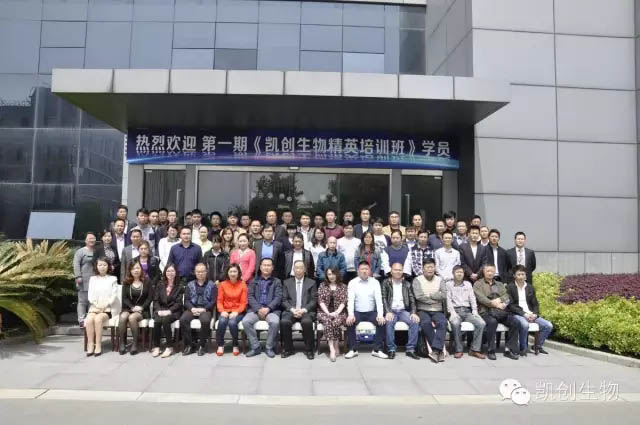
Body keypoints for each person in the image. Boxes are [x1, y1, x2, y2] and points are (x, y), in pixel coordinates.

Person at [473, 264, 521, 360]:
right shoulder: (478, 284)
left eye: (492, 271)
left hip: (500, 311)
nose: (490, 273)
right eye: (488, 271)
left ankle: (509, 349)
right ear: (484, 272)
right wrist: (493, 304)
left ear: (495, 272)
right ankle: (491, 350)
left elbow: (506, 295)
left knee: (515, 322)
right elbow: (481, 298)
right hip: (485, 311)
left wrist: (500, 301)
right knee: (492, 322)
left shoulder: (499, 284)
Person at [507, 265, 553, 356]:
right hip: (517, 314)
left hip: (531, 313)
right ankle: (523, 348)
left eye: (522, 274)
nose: (521, 276)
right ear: (514, 276)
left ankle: (537, 346)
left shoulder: (530, 287)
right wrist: (524, 314)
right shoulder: (510, 287)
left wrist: (535, 314)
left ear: (525, 275)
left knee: (548, 325)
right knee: (524, 325)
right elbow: (511, 305)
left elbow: (535, 304)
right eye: (518, 274)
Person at [345, 261, 387, 359]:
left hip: (371, 312)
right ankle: (353, 349)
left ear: (370, 270)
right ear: (358, 270)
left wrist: (380, 315)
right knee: (349, 322)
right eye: (362, 269)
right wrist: (350, 314)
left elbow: (379, 300)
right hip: (357, 312)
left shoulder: (375, 282)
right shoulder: (353, 282)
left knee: (382, 322)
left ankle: (377, 350)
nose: (364, 271)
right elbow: (350, 300)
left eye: (366, 269)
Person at [243, 258, 283, 358]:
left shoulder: (277, 281)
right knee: (246, 321)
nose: (266, 267)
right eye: (264, 265)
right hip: (256, 310)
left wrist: (268, 308)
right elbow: (250, 296)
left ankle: (269, 347)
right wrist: (258, 309)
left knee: (275, 322)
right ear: (260, 267)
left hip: (271, 310)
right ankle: (255, 347)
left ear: (272, 268)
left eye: (269, 265)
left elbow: (278, 297)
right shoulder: (254, 281)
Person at [381, 263, 420, 359]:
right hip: (391, 310)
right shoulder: (386, 282)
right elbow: (384, 298)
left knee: (414, 321)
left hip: (403, 311)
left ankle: (410, 349)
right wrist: (387, 311)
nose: (398, 272)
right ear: (391, 271)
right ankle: (391, 349)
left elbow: (412, 300)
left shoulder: (407, 284)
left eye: (400, 270)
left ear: (403, 271)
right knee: (389, 321)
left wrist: (413, 313)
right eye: (395, 270)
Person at [412, 258, 448, 363]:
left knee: (442, 322)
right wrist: (434, 299)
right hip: (422, 310)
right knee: (425, 323)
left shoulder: (440, 280)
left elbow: (444, 294)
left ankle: (436, 351)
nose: (430, 269)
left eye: (432, 267)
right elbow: (419, 296)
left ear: (435, 268)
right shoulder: (417, 280)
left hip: (438, 310)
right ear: (423, 269)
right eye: (427, 267)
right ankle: (438, 350)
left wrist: (431, 295)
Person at [446, 265, 486, 359]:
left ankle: (475, 349)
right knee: (455, 323)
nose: (459, 274)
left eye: (461, 272)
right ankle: (459, 349)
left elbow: (472, 298)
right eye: (457, 272)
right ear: (453, 273)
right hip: (455, 311)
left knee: (481, 323)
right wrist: (452, 312)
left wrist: (475, 311)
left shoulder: (468, 284)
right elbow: (448, 300)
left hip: (467, 311)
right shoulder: (448, 284)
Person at [280, 260, 318, 359]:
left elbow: (314, 300)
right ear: (293, 269)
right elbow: (284, 300)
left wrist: (303, 310)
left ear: (304, 269)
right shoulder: (287, 282)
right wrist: (292, 310)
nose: (298, 270)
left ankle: (309, 350)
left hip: (305, 311)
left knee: (306, 322)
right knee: (284, 322)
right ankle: (288, 349)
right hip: (291, 311)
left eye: (301, 267)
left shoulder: (311, 282)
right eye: (296, 268)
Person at [84, 257, 118, 356]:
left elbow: (114, 295)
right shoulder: (93, 279)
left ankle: (98, 345)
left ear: (108, 266)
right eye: (100, 265)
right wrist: (97, 305)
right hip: (95, 307)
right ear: (96, 266)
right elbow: (90, 295)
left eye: (104, 265)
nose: (102, 267)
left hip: (107, 308)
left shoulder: (113, 279)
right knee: (89, 320)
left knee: (98, 319)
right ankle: (90, 344)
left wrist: (105, 305)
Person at [180, 263, 217, 356]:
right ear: (195, 272)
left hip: (205, 309)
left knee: (205, 321)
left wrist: (204, 309)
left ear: (206, 272)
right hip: (192, 308)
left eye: (202, 271)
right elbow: (186, 300)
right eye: (198, 272)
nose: (200, 274)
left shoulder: (212, 285)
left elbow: (213, 301)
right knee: (183, 319)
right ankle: (190, 345)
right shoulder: (190, 284)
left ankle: (201, 345)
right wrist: (192, 308)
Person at [118, 260, 152, 355]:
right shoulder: (126, 282)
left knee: (132, 317)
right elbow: (124, 298)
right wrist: (132, 307)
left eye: (137, 268)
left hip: (143, 310)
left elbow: (150, 297)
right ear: (130, 270)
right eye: (133, 269)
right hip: (129, 308)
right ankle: (122, 343)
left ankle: (135, 344)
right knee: (123, 317)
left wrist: (141, 307)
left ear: (141, 269)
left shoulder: (147, 281)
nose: (136, 270)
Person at [151, 264, 184, 358]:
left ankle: (169, 347)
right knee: (157, 320)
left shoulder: (180, 285)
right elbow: (156, 300)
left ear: (176, 272)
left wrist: (169, 311)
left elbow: (179, 303)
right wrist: (158, 310)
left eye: (172, 271)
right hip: (161, 309)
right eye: (168, 271)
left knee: (165, 320)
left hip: (174, 311)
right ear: (165, 272)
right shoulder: (160, 284)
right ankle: (156, 346)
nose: (170, 273)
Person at [216, 263, 248, 357]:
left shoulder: (243, 285)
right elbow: (219, 301)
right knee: (222, 321)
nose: (233, 274)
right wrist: (222, 311)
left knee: (232, 322)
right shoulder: (222, 285)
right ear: (227, 273)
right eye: (231, 271)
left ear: (238, 273)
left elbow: (244, 302)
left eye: (235, 271)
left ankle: (235, 344)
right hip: (225, 310)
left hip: (238, 311)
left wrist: (236, 312)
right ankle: (220, 345)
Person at [317, 267, 348, 362]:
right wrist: (328, 313)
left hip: (340, 311)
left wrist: (337, 312)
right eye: (329, 274)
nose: (331, 276)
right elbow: (320, 301)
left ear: (337, 274)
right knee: (328, 320)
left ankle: (336, 343)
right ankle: (332, 349)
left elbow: (344, 301)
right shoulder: (322, 285)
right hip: (324, 311)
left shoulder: (343, 286)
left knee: (336, 321)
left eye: (333, 274)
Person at [74, 232, 96, 326]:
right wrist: (78, 276)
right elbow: (76, 264)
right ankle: (82, 320)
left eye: (93, 238)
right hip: (83, 279)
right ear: (85, 240)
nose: (92, 240)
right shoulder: (80, 251)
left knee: (92, 301)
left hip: (95, 280)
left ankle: (90, 319)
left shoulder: (97, 250)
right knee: (82, 301)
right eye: (89, 238)